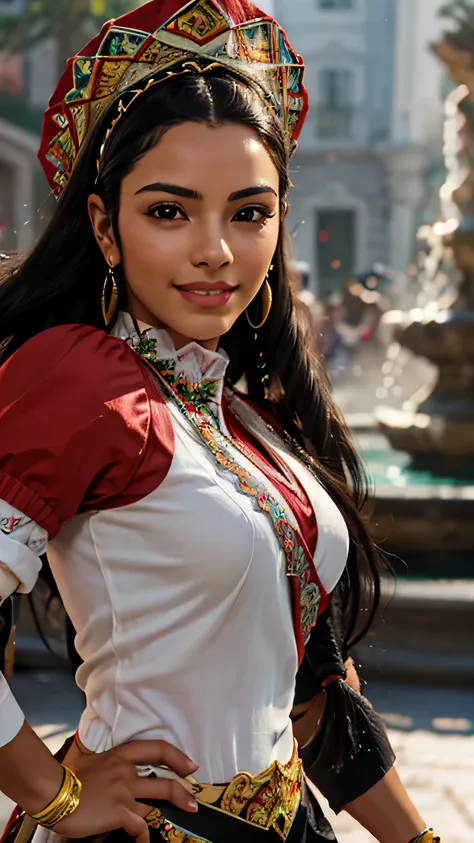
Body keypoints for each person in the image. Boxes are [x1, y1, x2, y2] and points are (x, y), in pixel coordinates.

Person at [0, 2, 440, 843]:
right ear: (105, 225)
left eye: (249, 212)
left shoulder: (245, 411)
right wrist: (53, 793)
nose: (218, 250)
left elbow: (314, 695)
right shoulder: (80, 377)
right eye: (170, 211)